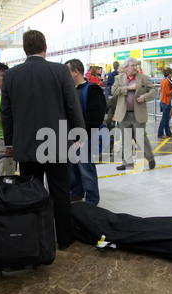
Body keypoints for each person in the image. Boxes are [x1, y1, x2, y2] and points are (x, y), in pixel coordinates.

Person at [0, 30, 85, 250]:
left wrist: (10, 143)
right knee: (60, 192)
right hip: (56, 143)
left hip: (27, 145)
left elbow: (6, 113)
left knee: (31, 193)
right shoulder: (59, 71)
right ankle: (64, 238)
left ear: (24, 49)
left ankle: (36, 238)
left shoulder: (10, 76)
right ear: (45, 47)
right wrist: (79, 134)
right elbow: (72, 106)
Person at [66, 58, 106, 206]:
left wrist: (81, 137)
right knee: (74, 168)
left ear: (76, 72)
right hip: (73, 137)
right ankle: (76, 193)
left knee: (86, 168)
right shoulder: (71, 91)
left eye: (67, 71)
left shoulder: (92, 90)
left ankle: (92, 199)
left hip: (86, 137)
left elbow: (95, 117)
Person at [112, 57, 158, 171]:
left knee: (141, 137)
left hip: (138, 114)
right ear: (126, 67)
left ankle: (150, 158)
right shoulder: (119, 78)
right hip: (124, 114)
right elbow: (114, 91)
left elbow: (154, 90)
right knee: (126, 139)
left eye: (136, 65)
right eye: (132, 65)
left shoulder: (143, 78)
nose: (135, 67)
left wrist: (145, 97)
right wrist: (128, 88)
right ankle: (127, 162)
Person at [158, 67, 172, 139]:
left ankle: (168, 133)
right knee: (164, 119)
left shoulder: (163, 80)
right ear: (169, 74)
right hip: (166, 101)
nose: (171, 75)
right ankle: (160, 133)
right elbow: (168, 93)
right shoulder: (167, 81)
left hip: (163, 101)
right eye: (171, 73)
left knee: (166, 119)